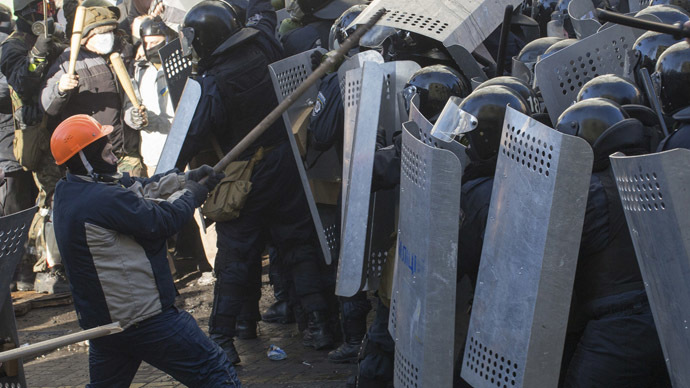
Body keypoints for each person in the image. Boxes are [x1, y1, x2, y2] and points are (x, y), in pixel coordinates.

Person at [178, 0, 335, 363]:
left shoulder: (213, 82)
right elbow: (263, 14)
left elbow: (195, 133)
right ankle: (320, 325)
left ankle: (221, 341)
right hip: (285, 163)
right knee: (299, 245)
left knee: (235, 257)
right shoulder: (262, 41)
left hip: (246, 174)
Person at [50, 114, 240, 388]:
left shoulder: (71, 190)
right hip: (144, 318)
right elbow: (161, 222)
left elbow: (135, 188)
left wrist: (185, 179)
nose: (114, 159)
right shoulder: (100, 199)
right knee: (214, 370)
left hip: (106, 325)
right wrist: (192, 194)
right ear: (86, 160)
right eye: (106, 153)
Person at [554, 98, 669, 387]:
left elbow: (550, 260)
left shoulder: (591, 192)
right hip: (668, 317)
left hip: (619, 330)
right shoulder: (651, 170)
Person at [0, 0, 67, 292]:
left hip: (62, 129)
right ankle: (44, 268)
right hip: (33, 138)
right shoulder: (12, 46)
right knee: (43, 203)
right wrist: (40, 48)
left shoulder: (56, 39)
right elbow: (22, 83)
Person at [41, 4, 147, 177]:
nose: (107, 38)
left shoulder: (122, 55)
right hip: (93, 159)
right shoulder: (67, 62)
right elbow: (48, 105)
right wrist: (60, 88)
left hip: (126, 152)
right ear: (85, 36)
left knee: (135, 198)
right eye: (100, 34)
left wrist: (133, 116)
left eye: (109, 32)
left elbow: (128, 97)